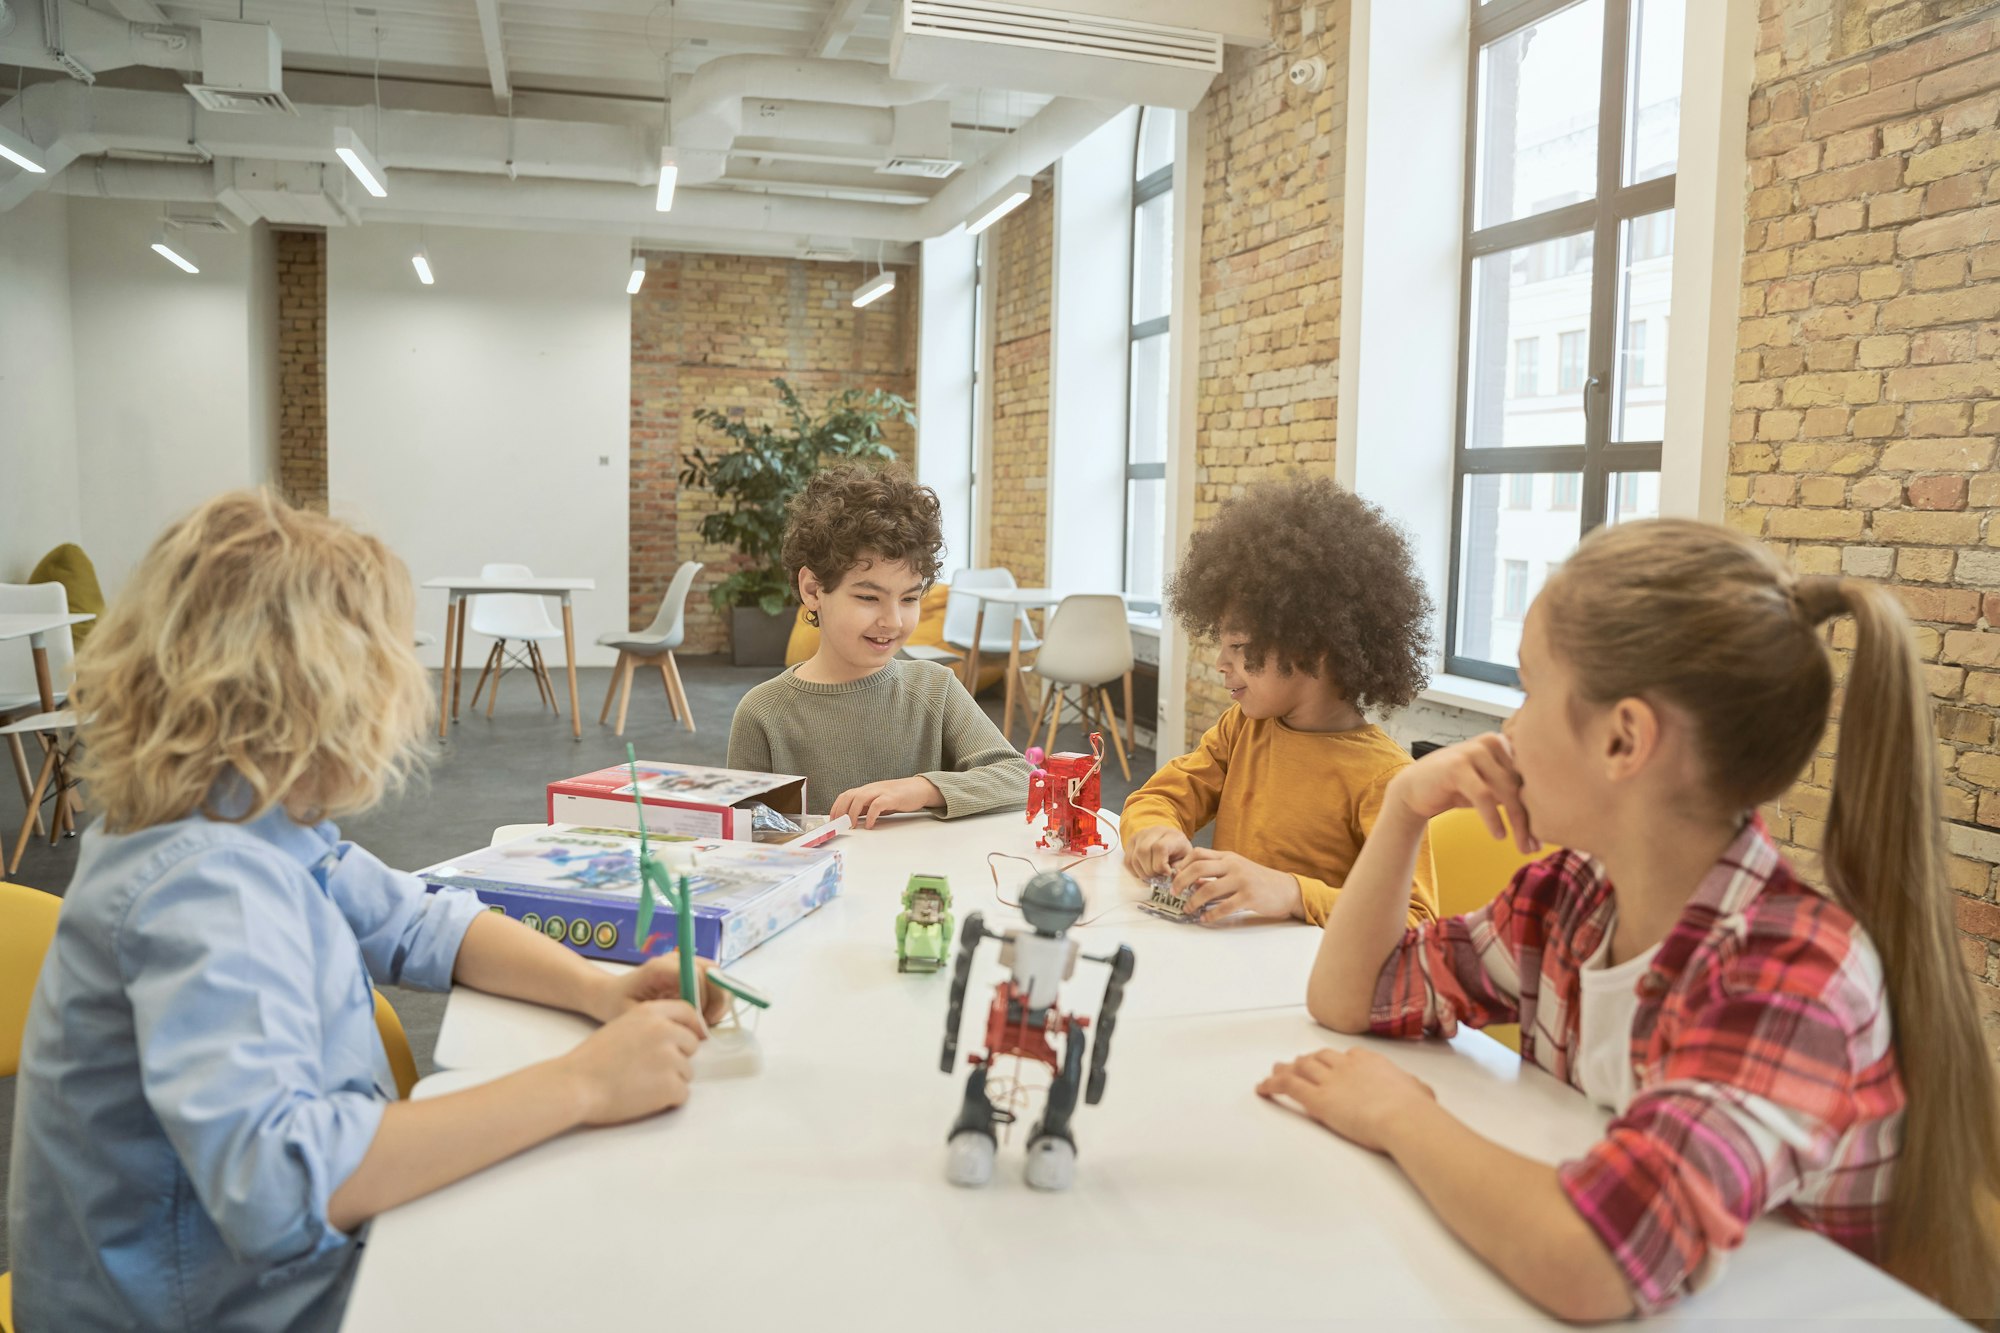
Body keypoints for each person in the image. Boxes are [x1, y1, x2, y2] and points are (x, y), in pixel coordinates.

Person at [7, 491, 727, 1333]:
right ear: (321, 699)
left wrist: (598, 991)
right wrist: (583, 1082)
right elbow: (280, 1185)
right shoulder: (208, 885)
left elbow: (420, 921)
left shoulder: (241, 815)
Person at [1264, 518, 2000, 1321]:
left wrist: (1399, 1115)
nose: (1507, 728)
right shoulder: (1571, 896)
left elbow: (1596, 1258)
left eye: (1530, 691)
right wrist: (1405, 805)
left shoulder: (1792, 972)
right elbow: (1353, 994)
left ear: (1623, 739)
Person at [1123, 476, 1439, 926]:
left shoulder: (1385, 780)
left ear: (1310, 648)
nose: (1220, 663)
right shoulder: (1241, 730)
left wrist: (1292, 893)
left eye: (1238, 646)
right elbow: (1157, 798)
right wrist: (1154, 831)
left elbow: (1418, 922)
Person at [728, 463, 1028, 825]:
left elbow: (1020, 779)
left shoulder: (935, 688)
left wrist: (922, 789)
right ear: (812, 590)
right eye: (869, 598)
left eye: (908, 599)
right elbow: (748, 834)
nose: (893, 622)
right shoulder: (763, 713)